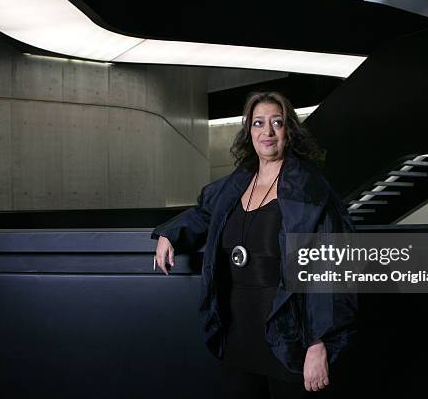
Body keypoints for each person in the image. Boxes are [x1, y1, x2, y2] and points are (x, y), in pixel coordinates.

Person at [152, 91, 356, 398]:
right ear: (249, 131)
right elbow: (205, 213)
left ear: (290, 130)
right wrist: (170, 234)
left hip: (288, 339)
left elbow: (331, 269)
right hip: (238, 336)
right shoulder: (237, 182)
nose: (268, 131)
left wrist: (319, 343)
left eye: (277, 122)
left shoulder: (310, 190)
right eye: (258, 123)